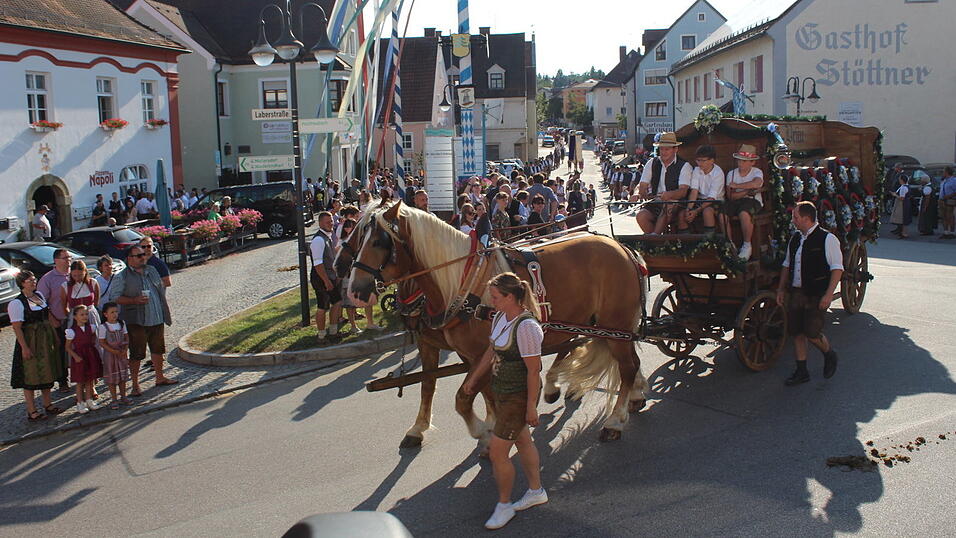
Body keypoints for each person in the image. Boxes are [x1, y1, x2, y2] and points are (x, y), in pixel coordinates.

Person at [463, 272, 547, 530]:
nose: (493, 301)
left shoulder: (527, 327)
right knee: (523, 440)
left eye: (496, 297)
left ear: (511, 297)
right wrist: (474, 379)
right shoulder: (500, 317)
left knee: (499, 452)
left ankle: (504, 505)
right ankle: (536, 491)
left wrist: (531, 406)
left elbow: (534, 371)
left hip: (518, 395)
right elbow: (491, 350)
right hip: (501, 391)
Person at [777, 202, 843, 386]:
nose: (793, 220)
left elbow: (837, 268)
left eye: (795, 217)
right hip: (797, 292)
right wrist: (781, 288)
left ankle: (829, 353)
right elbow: (786, 264)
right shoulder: (796, 238)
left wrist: (829, 294)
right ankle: (801, 370)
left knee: (812, 332)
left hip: (816, 292)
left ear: (806, 218)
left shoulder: (827, 239)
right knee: (796, 332)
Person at [106, 245, 176, 395]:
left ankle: (159, 377)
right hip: (136, 321)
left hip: (156, 317)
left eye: (143, 254)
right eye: (138, 256)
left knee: (158, 349)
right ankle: (135, 385)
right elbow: (114, 297)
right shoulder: (122, 276)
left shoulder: (152, 270)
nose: (143, 257)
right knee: (137, 353)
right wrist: (134, 300)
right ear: (129, 259)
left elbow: (160, 289)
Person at [9, 271, 65, 421]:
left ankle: (48, 404)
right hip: (31, 341)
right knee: (31, 376)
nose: (34, 282)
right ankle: (32, 411)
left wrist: (55, 336)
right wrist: (25, 348)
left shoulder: (39, 295)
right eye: (30, 280)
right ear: (22, 283)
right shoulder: (17, 303)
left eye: (34, 279)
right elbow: (17, 327)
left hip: (45, 341)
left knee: (47, 371)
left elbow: (47, 316)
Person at [635, 132, 692, 235]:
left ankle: (654, 237)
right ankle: (657, 243)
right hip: (655, 203)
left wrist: (669, 195)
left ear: (675, 149)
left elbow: (683, 191)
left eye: (667, 149)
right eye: (661, 149)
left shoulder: (684, 166)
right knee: (641, 216)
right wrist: (637, 194)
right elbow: (642, 184)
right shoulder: (652, 163)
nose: (663, 152)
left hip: (677, 205)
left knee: (668, 205)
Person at [37, 247, 72, 393]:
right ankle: (63, 380)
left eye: (70, 258)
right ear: (56, 260)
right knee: (61, 351)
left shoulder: (75, 275)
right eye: (65, 258)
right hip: (59, 320)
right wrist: (52, 319)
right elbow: (40, 302)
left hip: (76, 319)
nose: (69, 261)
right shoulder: (48, 279)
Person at [722, 144, 764, 260]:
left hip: (753, 201)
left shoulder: (757, 172)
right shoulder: (732, 173)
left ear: (752, 162)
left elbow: (757, 183)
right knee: (721, 212)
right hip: (738, 200)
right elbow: (731, 196)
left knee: (744, 212)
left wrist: (737, 186)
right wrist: (747, 191)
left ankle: (747, 244)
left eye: (745, 161)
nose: (741, 164)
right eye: (740, 161)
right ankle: (730, 244)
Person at [309, 211, 343, 344]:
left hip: (330, 276)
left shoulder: (328, 236)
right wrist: (327, 281)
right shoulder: (318, 240)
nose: (331, 224)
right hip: (321, 278)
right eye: (328, 222)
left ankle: (333, 331)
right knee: (322, 306)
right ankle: (321, 335)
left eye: (332, 221)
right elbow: (318, 264)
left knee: (337, 302)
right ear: (321, 223)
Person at [65, 305, 102, 414]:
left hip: (90, 355)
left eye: (86, 314)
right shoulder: (71, 331)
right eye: (81, 314)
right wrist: (75, 356)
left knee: (90, 379)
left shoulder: (91, 328)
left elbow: (93, 339)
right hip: (79, 357)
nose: (85, 316)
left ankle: (89, 400)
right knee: (80, 381)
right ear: (75, 317)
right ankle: (80, 402)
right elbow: (67, 347)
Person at [683, 145, 725, 235]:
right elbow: (694, 191)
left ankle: (709, 241)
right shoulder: (696, 170)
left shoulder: (718, 173)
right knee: (682, 214)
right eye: (698, 160)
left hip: (716, 201)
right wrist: (689, 208)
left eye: (703, 160)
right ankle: (684, 243)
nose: (700, 163)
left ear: (712, 160)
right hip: (700, 200)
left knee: (707, 212)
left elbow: (712, 198)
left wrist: (696, 211)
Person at [98, 302, 131, 409]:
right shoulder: (103, 327)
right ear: (105, 314)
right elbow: (102, 342)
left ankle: (123, 396)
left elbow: (126, 337)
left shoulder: (122, 324)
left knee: (122, 377)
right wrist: (113, 351)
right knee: (112, 379)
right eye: (112, 312)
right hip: (110, 356)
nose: (115, 314)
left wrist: (125, 349)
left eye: (116, 312)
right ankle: (113, 399)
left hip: (121, 353)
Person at [61, 259, 101, 329]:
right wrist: (72, 315)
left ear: (85, 272)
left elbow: (96, 302)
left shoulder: (93, 283)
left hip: (90, 315)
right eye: (74, 275)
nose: (77, 278)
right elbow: (64, 306)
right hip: (75, 318)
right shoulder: (65, 286)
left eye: (80, 275)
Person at [889, 174, 910, 238]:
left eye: (900, 179)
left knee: (901, 218)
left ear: (902, 180)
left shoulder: (904, 188)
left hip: (901, 204)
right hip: (902, 203)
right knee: (901, 218)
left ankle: (903, 233)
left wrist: (895, 195)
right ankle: (901, 231)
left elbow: (902, 198)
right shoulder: (904, 186)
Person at [939, 166, 956, 239]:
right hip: (942, 200)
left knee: (950, 216)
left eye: (943, 171)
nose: (943, 173)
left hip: (949, 200)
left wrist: (949, 196)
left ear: (947, 172)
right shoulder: (944, 180)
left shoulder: (954, 180)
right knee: (943, 216)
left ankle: (952, 232)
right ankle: (946, 232)